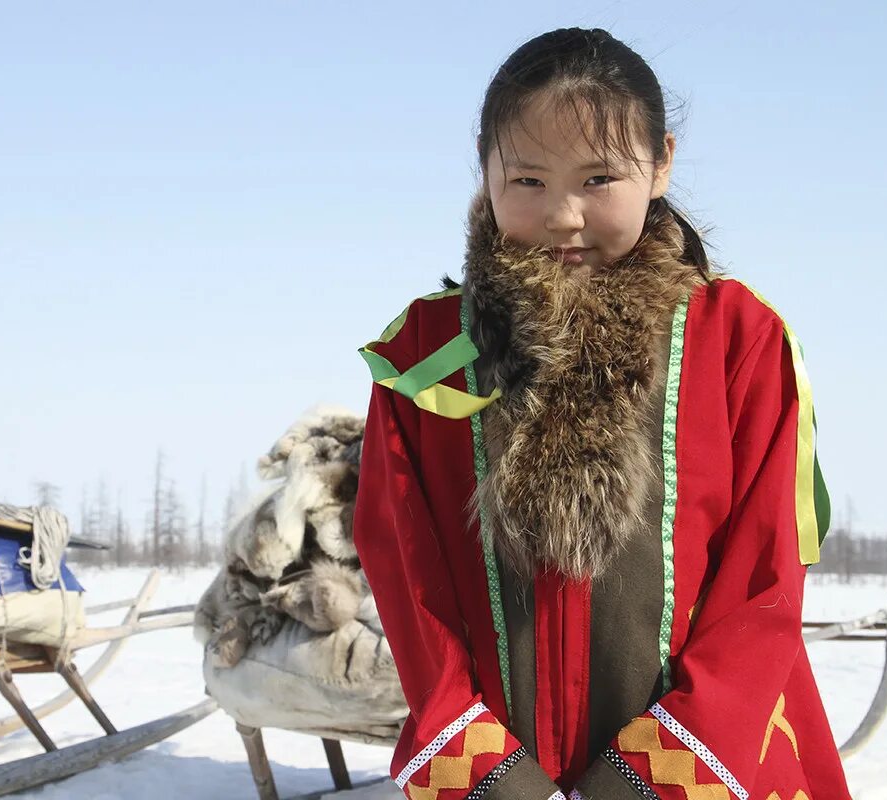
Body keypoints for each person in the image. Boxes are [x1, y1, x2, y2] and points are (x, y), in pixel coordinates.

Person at [353, 27, 851, 800]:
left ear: (661, 166)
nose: (564, 216)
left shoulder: (737, 340)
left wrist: (642, 784)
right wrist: (496, 779)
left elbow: (765, 579)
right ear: (484, 167)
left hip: (706, 765)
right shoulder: (426, 351)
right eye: (528, 181)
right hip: (500, 769)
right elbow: (403, 572)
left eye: (597, 178)